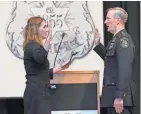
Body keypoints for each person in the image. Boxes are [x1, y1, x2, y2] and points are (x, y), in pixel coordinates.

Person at [93, 7, 136, 114]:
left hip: (118, 100)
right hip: (112, 96)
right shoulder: (116, 39)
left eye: (108, 19)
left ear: (117, 20)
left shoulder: (123, 39)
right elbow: (110, 61)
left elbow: (125, 68)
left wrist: (119, 96)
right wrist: (98, 45)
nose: (105, 22)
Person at [23, 16, 68, 114]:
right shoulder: (32, 45)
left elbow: (38, 72)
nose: (48, 29)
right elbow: (40, 58)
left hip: (38, 91)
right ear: (35, 29)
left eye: (48, 26)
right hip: (37, 93)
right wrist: (48, 39)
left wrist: (56, 69)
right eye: (45, 27)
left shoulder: (34, 46)